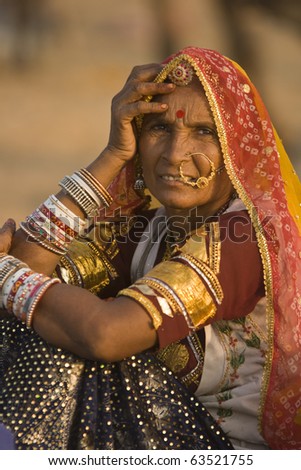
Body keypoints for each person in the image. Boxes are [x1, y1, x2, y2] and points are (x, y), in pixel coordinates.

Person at [0, 46, 300, 450]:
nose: (175, 155)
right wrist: (112, 155)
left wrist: (4, 273)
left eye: (205, 132)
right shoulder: (149, 227)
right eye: (158, 128)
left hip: (223, 450)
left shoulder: (245, 237)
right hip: (157, 436)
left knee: (66, 353)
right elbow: (26, 275)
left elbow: (106, 334)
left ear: (237, 148)